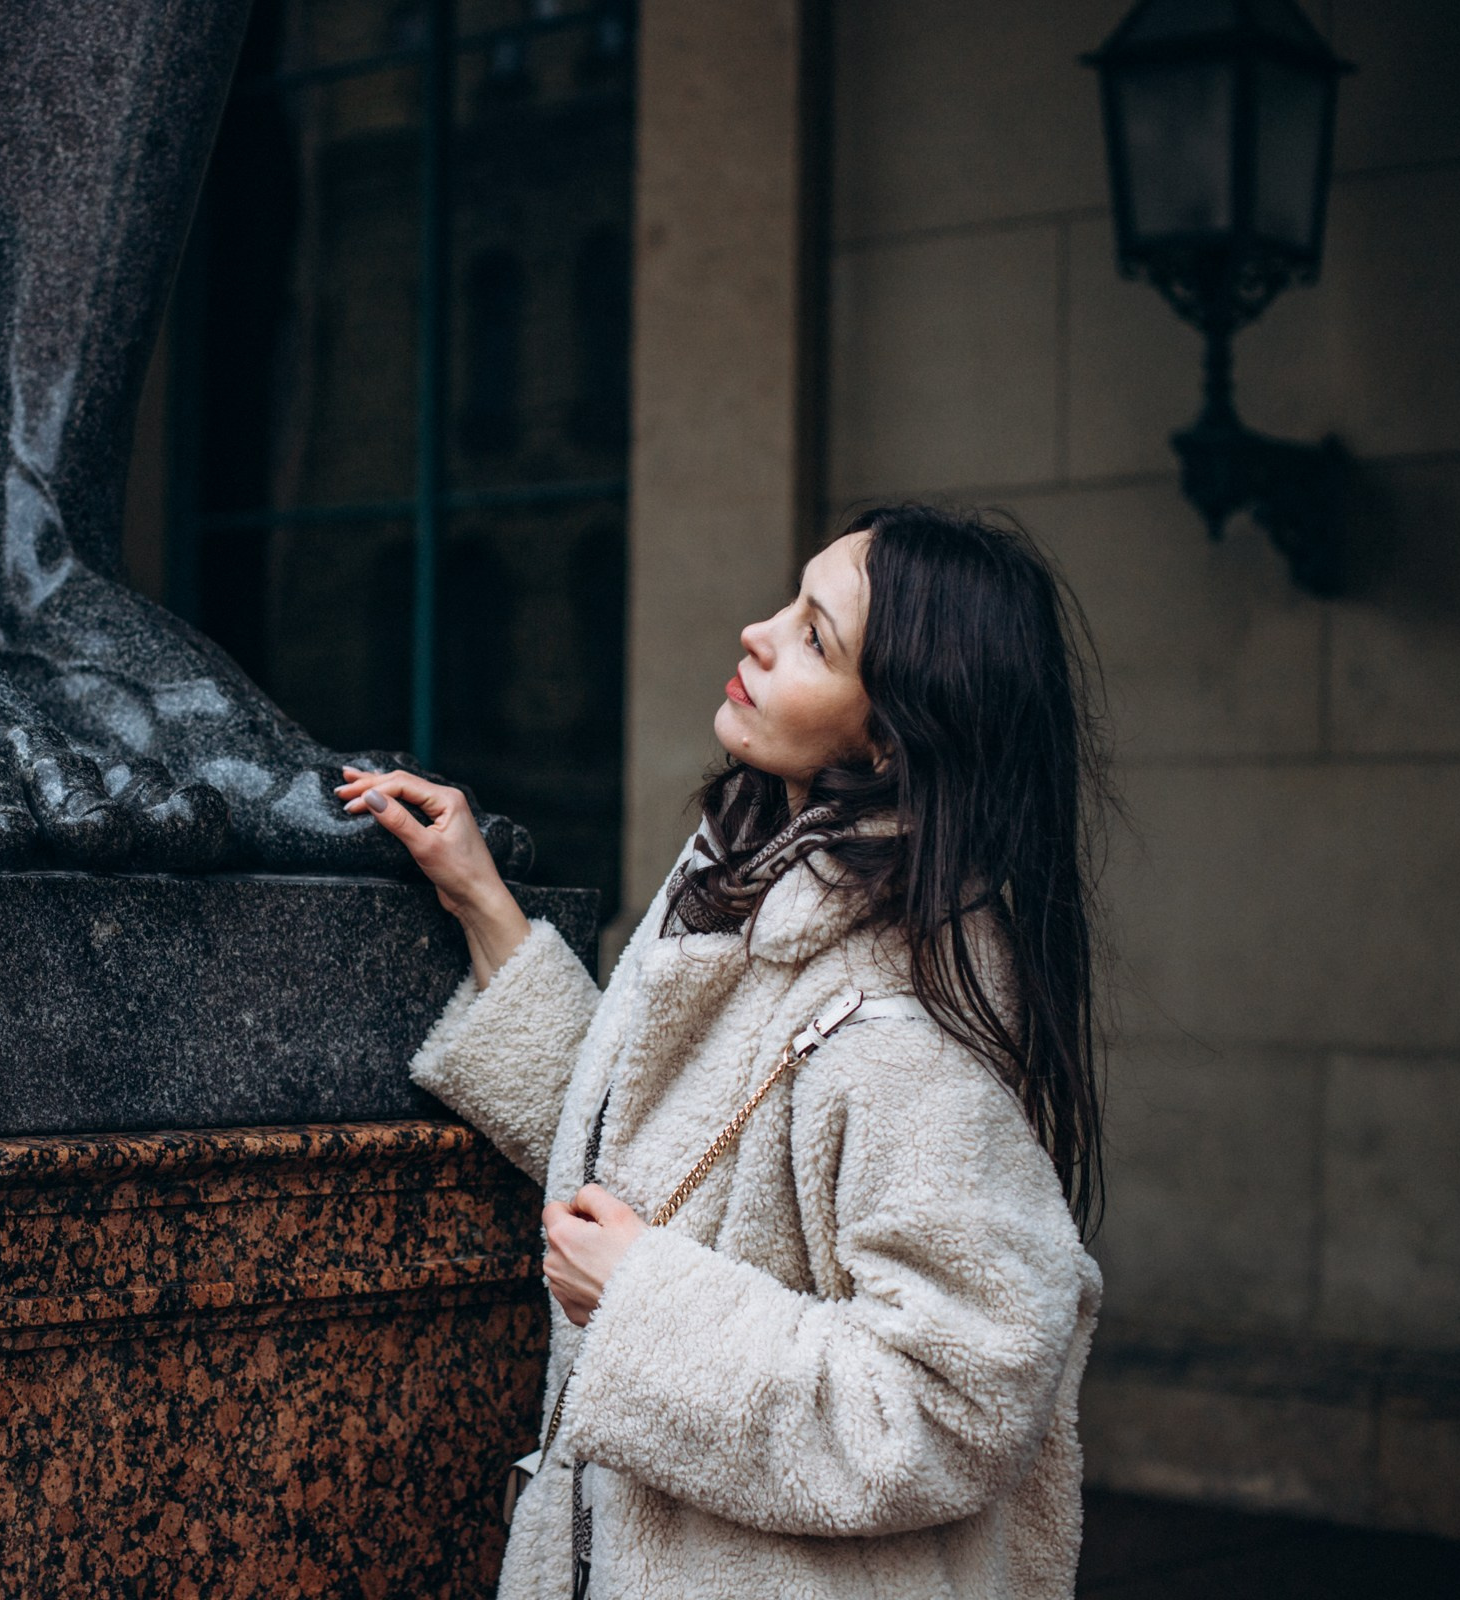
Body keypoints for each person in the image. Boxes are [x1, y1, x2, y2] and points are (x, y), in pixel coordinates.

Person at [336, 504, 1107, 1599]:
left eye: (814, 636)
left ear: (888, 737)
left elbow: (963, 1405)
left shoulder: (904, 1030)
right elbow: (653, 1149)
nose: (757, 631)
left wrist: (644, 1300)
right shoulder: (741, 900)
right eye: (790, 604)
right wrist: (478, 898)